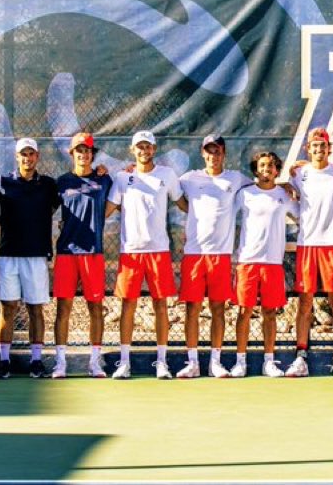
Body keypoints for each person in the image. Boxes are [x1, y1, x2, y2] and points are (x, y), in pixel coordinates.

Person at [106, 130, 185, 380]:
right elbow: (106, 210)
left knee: (160, 306)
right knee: (127, 305)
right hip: (130, 252)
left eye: (148, 146)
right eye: (139, 147)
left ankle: (162, 362)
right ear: (132, 150)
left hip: (159, 251)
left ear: (154, 149)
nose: (144, 150)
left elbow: (184, 203)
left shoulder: (167, 175)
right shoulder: (121, 177)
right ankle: (125, 362)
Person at [175, 134, 252, 379]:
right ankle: (193, 362)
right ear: (202, 153)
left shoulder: (236, 178)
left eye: (217, 151)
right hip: (194, 255)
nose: (213, 156)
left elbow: (264, 185)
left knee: (218, 309)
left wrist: (291, 179)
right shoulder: (188, 179)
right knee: (192, 310)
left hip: (221, 256)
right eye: (209, 151)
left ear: (224, 153)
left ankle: (215, 362)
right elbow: (169, 192)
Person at [286, 128, 333, 378]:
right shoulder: (300, 173)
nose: (319, 149)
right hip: (307, 246)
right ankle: (301, 357)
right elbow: (286, 187)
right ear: (309, 148)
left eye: (323, 145)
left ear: (330, 148)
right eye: (314, 146)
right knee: (305, 303)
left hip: (332, 247)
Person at [0, 138, 60, 378]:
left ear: (37, 157)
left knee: (35, 309)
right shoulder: (1, 183)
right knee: (7, 308)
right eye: (23, 154)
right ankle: (3, 361)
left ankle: (36, 361)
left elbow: (61, 200)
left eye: (31, 154)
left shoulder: (49, 185)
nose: (27, 158)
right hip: (8, 256)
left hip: (36, 256)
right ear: (16, 157)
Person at [231, 151, 299, 378]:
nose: (266, 169)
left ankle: (269, 361)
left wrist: (292, 188)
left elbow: (302, 214)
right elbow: (225, 216)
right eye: (262, 165)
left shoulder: (284, 195)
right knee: (244, 312)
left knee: (270, 313)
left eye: (271, 166)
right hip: (248, 261)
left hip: (273, 263)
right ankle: (240, 361)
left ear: (276, 170)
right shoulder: (245, 194)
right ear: (255, 169)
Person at [52, 133, 112, 378]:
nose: (84, 154)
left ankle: (95, 363)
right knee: (63, 308)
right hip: (66, 253)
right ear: (72, 153)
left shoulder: (104, 179)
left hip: (93, 253)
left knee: (95, 308)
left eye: (88, 150)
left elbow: (126, 183)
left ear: (92, 154)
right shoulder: (61, 182)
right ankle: (60, 363)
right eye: (79, 150)